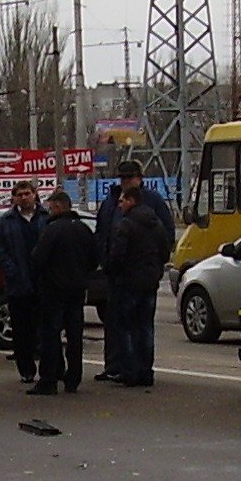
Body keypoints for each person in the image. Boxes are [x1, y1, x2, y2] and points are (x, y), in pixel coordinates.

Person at [94, 159, 176, 381]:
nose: (126, 182)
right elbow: (102, 233)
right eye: (122, 178)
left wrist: (155, 266)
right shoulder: (112, 202)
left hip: (136, 275)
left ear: (140, 178)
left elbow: (167, 237)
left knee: (136, 325)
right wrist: (105, 259)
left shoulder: (152, 202)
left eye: (130, 178)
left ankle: (136, 369)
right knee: (115, 324)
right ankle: (115, 365)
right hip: (119, 276)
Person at [27, 187, 97, 395]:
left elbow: (38, 258)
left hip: (53, 290)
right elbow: (94, 258)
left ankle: (48, 379)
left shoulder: (52, 230)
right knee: (75, 336)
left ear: (58, 207)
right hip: (77, 289)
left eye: (50, 208)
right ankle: (73, 378)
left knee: (50, 334)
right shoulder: (83, 229)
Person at [0, 180, 47, 384]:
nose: (24, 197)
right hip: (17, 284)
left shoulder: (45, 218)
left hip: (43, 283)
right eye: (20, 194)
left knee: (46, 328)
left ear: (35, 194)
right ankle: (26, 369)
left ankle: (50, 369)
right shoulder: (6, 221)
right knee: (22, 331)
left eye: (27, 193)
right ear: (14, 197)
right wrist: (12, 271)